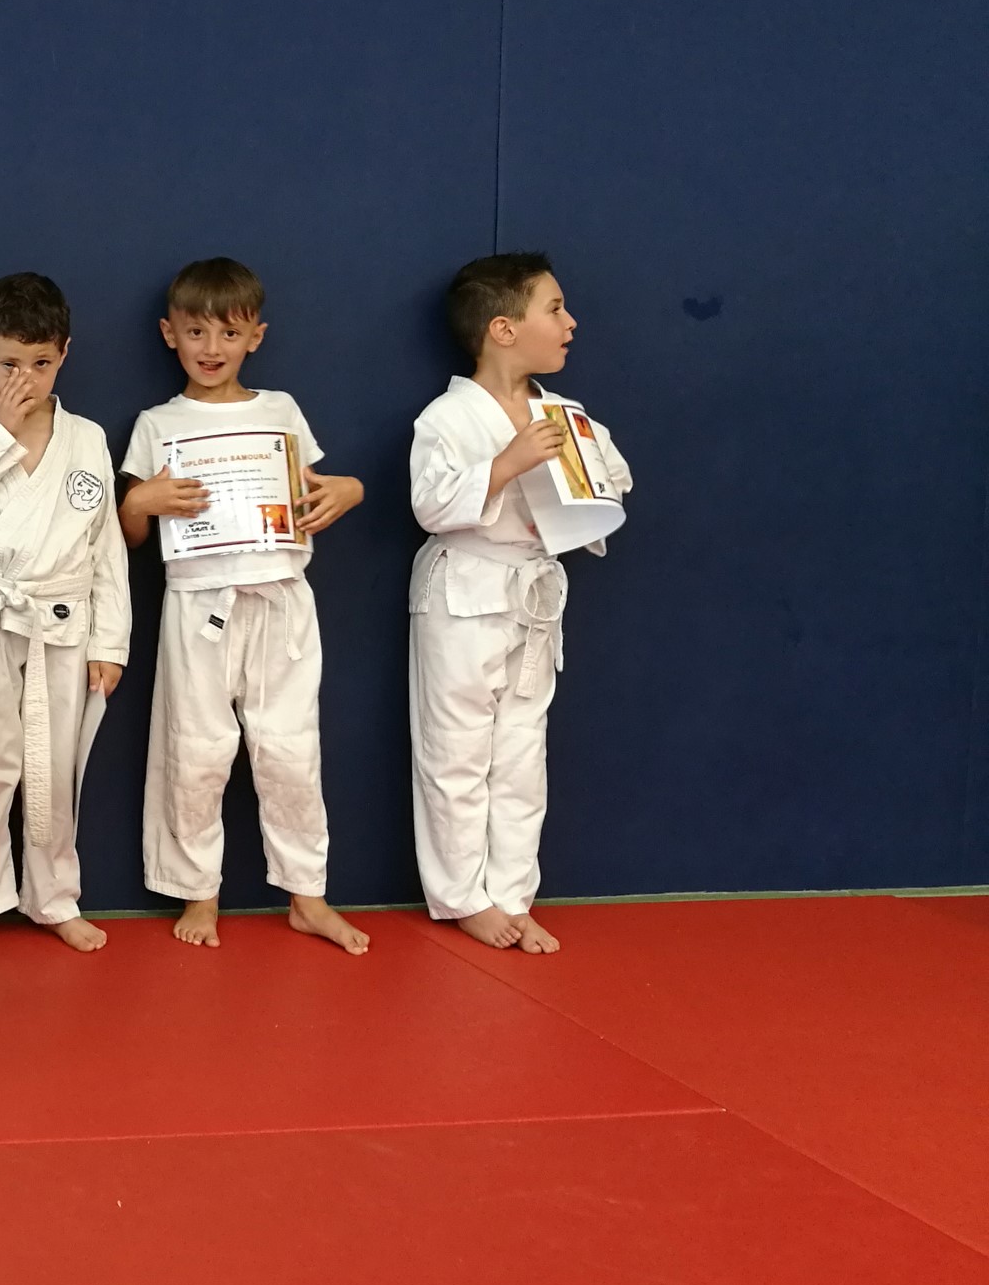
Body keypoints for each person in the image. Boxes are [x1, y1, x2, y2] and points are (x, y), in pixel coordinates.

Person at [119, 258, 369, 955]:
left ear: (255, 336)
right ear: (169, 333)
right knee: (196, 750)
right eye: (196, 331)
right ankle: (199, 891)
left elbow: (312, 488)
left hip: (280, 596)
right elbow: (129, 534)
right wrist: (139, 503)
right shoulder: (157, 423)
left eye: (229, 333)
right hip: (197, 601)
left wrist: (348, 490)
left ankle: (307, 895)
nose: (211, 347)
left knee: (291, 749)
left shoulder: (279, 410)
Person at [409, 252, 631, 955]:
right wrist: (508, 463)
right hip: (463, 588)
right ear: (502, 329)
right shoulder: (447, 416)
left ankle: (512, 894)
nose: (571, 323)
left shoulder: (565, 415)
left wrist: (583, 489)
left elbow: (614, 482)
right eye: (555, 309)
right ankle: (462, 897)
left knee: (522, 754)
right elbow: (429, 505)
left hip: (532, 591)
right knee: (455, 751)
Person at [0, 274, 131, 956]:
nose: (26, 379)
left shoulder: (87, 437)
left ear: (64, 353)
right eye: (9, 363)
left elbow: (105, 548)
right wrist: (1, 434)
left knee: (55, 767)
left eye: (41, 363)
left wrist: (111, 643)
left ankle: (55, 897)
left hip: (63, 623)